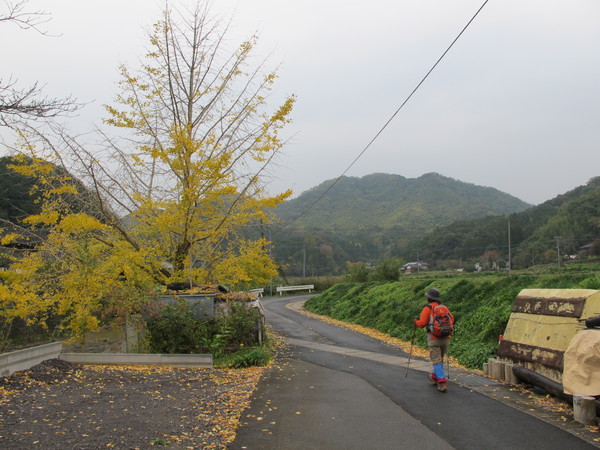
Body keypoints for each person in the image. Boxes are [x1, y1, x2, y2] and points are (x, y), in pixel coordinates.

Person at [413, 287, 454, 393]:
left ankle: (442, 383)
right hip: (445, 338)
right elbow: (452, 319)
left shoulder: (428, 308)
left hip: (434, 338)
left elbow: (422, 324)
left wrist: (415, 321)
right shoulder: (443, 307)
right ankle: (434, 377)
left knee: (436, 361)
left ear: (429, 298)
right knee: (439, 359)